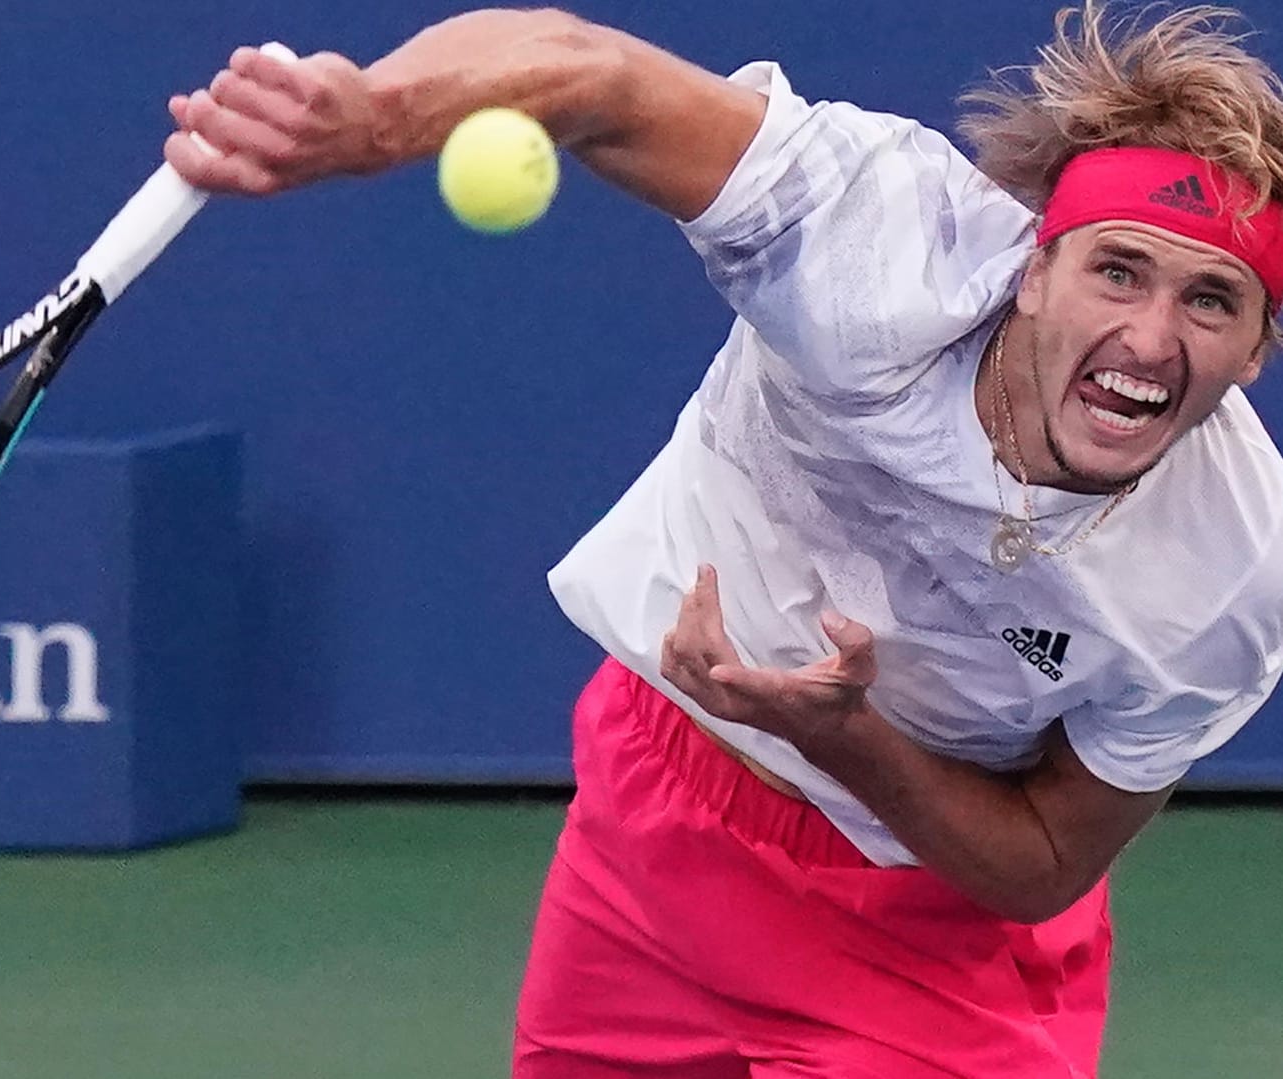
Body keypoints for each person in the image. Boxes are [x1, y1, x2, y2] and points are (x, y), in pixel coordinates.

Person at [165, 3, 1283, 1075]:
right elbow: (589, 68)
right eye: (1116, 270)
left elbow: (1043, 861)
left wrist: (848, 737)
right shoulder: (876, 238)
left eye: (1210, 300)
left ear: (1251, 353)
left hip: (923, 922)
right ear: (1036, 268)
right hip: (656, 814)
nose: (1146, 337)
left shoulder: (1234, 571)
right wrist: (378, 116)